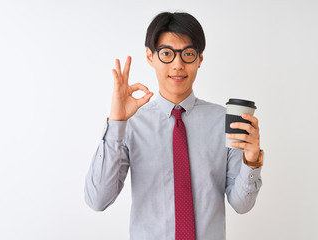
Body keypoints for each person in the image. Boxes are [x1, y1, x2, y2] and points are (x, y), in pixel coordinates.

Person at [85, 11, 263, 240]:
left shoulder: (224, 121)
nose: (178, 64)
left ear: (199, 59)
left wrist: (252, 158)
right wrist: (116, 122)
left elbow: (242, 204)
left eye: (188, 54)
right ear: (150, 56)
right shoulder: (131, 124)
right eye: (167, 53)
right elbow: (97, 200)